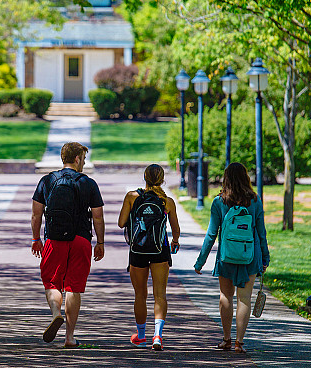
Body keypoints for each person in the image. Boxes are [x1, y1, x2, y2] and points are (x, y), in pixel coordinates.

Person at [31, 142, 105, 348]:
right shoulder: (88, 183)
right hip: (81, 240)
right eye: (83, 159)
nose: (84, 163)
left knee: (52, 283)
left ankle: (56, 313)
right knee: (74, 287)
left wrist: (36, 238)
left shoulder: (47, 181)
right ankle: (69, 337)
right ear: (77, 159)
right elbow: (98, 217)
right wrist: (100, 242)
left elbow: (36, 214)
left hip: (54, 239)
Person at [194, 162, 270, 353]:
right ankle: (239, 342)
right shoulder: (255, 201)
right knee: (244, 299)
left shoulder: (219, 202)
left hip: (226, 258)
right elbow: (261, 233)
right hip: (250, 258)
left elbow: (211, 234)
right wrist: (265, 259)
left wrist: (200, 261)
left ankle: (226, 339)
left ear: (225, 178)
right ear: (246, 178)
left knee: (225, 296)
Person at [117, 164, 180, 350]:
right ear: (162, 179)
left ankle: (141, 336)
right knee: (160, 294)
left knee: (140, 295)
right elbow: (175, 229)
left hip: (138, 251)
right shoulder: (167, 201)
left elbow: (121, 223)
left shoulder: (132, 196)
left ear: (144, 177)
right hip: (160, 251)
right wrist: (175, 241)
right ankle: (158, 336)